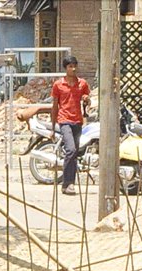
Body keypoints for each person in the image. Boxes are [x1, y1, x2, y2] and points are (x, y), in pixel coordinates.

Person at [51, 54, 90, 196]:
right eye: (70, 66)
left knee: (74, 154)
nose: (73, 69)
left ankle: (67, 184)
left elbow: (87, 100)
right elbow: (55, 106)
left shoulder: (82, 84)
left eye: (74, 66)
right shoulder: (58, 85)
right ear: (65, 68)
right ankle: (69, 183)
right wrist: (52, 126)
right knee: (71, 150)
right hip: (64, 120)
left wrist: (86, 99)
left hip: (77, 121)